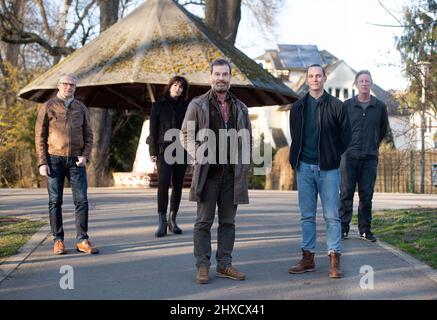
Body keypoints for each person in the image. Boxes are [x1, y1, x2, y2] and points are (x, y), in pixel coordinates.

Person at [181, 59, 252, 284]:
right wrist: (199, 153)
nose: (221, 78)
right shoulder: (197, 104)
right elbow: (185, 135)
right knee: (203, 221)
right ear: (210, 76)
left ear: (230, 78)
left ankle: (224, 265)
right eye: (217, 74)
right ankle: (203, 266)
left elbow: (247, 138)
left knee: (228, 222)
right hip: (208, 175)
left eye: (225, 74)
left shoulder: (240, 107)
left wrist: (245, 162)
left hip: (233, 175)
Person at [288, 64, 351, 278]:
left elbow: (346, 137)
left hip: (328, 169)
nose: (315, 79)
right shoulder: (297, 107)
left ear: (324, 78)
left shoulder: (337, 106)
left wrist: (332, 155)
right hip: (304, 167)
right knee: (307, 216)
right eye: (311, 76)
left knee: (332, 216)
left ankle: (334, 259)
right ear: (307, 79)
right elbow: (295, 134)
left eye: (318, 76)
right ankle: (308, 259)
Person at [35, 74, 98, 255]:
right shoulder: (48, 106)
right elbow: (39, 136)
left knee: (82, 201)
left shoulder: (81, 108)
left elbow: (89, 135)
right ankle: (58, 240)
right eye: (65, 84)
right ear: (59, 85)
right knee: (55, 201)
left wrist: (85, 156)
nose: (68, 87)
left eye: (72, 85)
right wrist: (42, 162)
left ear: (75, 88)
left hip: (76, 161)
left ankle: (82, 240)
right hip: (54, 159)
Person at [339, 70, 389, 242]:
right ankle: (343, 229)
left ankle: (365, 230)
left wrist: (373, 144)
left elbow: (383, 130)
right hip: (349, 157)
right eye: (361, 81)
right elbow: (340, 129)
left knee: (366, 195)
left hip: (369, 157)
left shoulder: (380, 106)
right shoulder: (347, 105)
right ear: (356, 84)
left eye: (367, 81)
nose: (365, 84)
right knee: (346, 193)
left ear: (371, 84)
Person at [147, 76, 189, 237]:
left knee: (178, 185)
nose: (177, 89)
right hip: (164, 150)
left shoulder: (187, 107)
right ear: (170, 87)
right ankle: (162, 222)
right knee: (163, 184)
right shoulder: (158, 106)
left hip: (182, 150)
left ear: (183, 91)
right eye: (175, 85)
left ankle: (173, 220)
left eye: (181, 87)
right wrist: (152, 151)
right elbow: (153, 130)